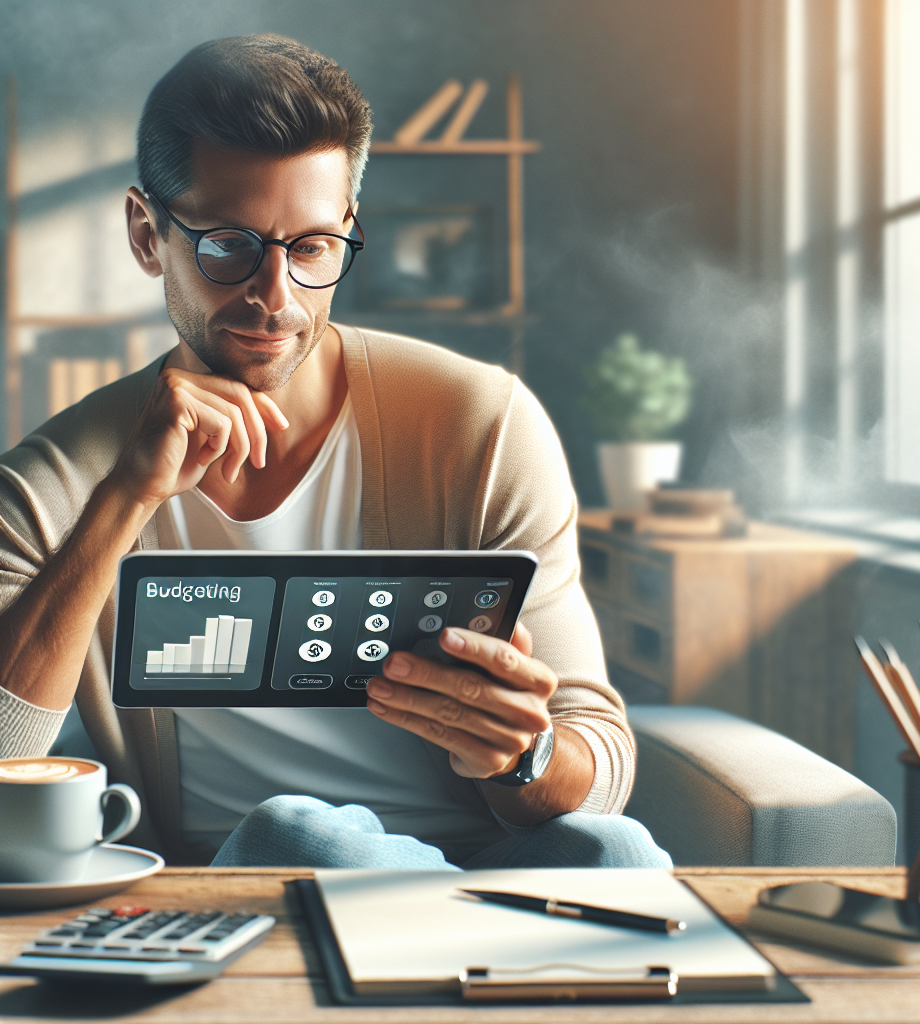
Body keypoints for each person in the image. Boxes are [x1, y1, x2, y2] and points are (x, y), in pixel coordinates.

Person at [0, 35, 669, 871]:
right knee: (303, 834)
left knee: (619, 852)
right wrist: (122, 503)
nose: (273, 298)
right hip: (258, 877)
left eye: (311, 248)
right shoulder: (59, 479)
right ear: (147, 234)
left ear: (348, 230)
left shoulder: (481, 424)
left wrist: (519, 755)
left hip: (484, 862)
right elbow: (1, 749)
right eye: (227, 246)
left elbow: (601, 760)